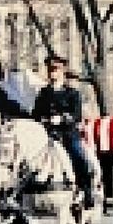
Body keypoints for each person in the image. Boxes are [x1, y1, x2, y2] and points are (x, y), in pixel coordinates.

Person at [32, 53, 94, 208]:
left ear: (62, 71)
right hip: (47, 135)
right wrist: (43, 120)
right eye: (50, 69)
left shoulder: (72, 93)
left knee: (78, 155)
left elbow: (77, 115)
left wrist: (62, 119)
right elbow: (35, 113)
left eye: (56, 69)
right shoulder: (43, 93)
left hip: (67, 134)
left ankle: (86, 189)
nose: (52, 73)